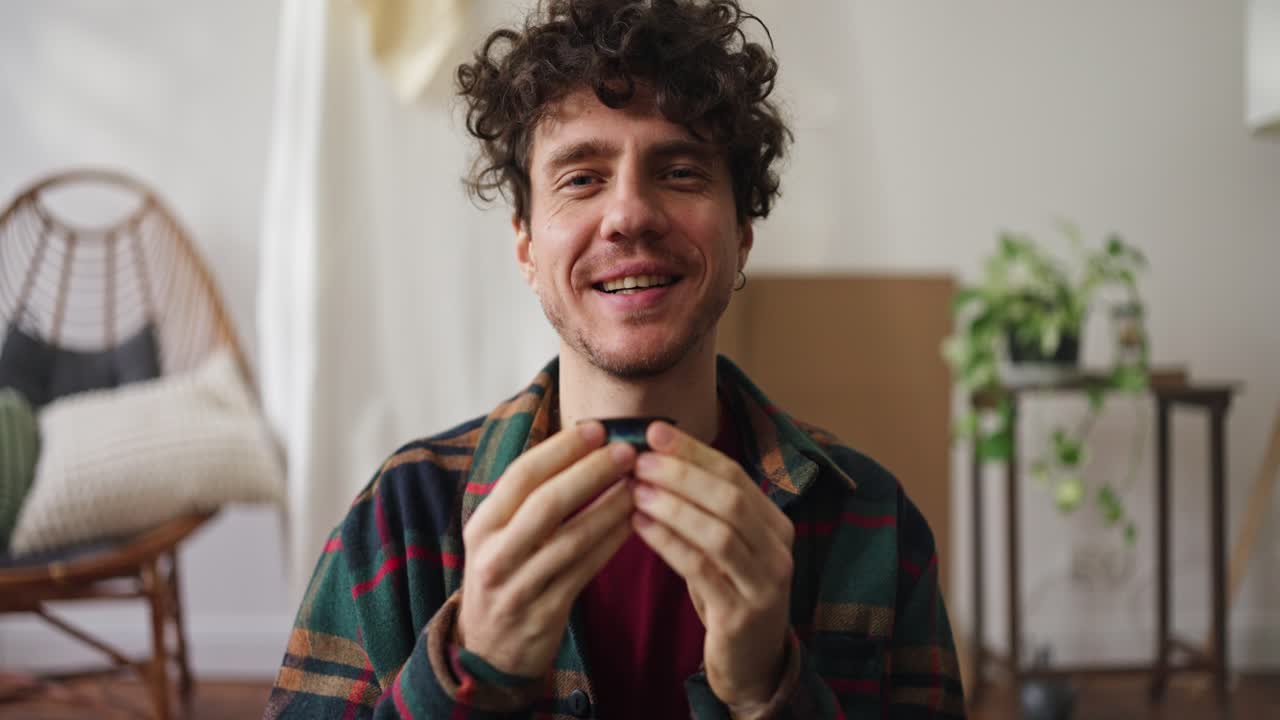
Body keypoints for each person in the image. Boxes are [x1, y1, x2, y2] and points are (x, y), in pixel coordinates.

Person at [264, 1, 965, 718]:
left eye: (680, 172)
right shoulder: (401, 515)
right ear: (526, 247)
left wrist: (767, 692)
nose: (629, 214)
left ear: (742, 236)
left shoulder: (873, 523)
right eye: (581, 178)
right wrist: (470, 675)